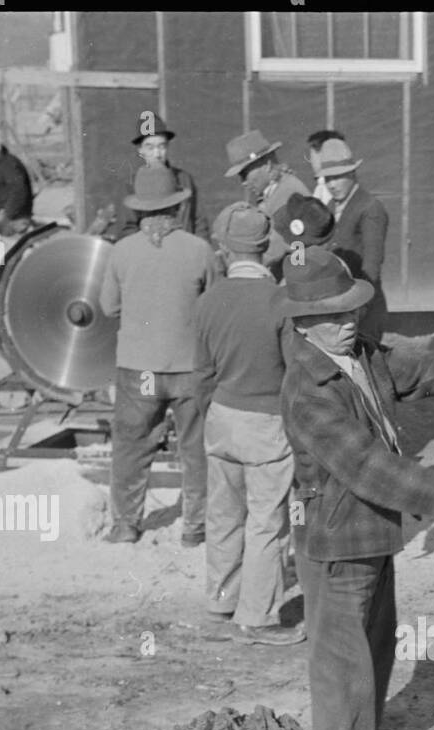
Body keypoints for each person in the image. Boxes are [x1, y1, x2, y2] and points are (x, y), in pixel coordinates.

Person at [279, 248, 434, 730]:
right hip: (336, 539)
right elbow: (364, 465)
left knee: (374, 641)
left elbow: (419, 371)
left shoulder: (360, 354)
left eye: (350, 309)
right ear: (303, 324)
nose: (348, 322)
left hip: (372, 530)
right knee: (341, 658)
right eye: (333, 316)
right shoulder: (307, 390)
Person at [193, 203, 302, 646]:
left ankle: (221, 603)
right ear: (265, 249)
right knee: (266, 523)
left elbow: (200, 373)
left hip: (220, 417)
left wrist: (212, 416)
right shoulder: (281, 301)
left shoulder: (208, 300)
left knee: (223, 517)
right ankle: (255, 618)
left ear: (225, 249)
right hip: (267, 422)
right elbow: (294, 373)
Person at [99, 166, 219, 546]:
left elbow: (108, 307)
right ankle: (194, 528)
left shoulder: (121, 251)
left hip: (140, 371)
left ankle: (125, 525)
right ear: (176, 206)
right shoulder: (199, 250)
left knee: (132, 447)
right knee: (196, 450)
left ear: (139, 210)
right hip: (189, 368)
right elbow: (214, 305)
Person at [316, 138, 389, 339]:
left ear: (352, 173)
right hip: (339, 306)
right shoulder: (331, 206)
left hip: (364, 306)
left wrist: (361, 307)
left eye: (337, 177)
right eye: (327, 179)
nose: (331, 184)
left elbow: (372, 264)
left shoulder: (370, 207)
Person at [107, 114, 208, 242]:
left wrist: (199, 251)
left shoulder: (184, 179)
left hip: (185, 253)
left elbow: (199, 223)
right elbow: (127, 230)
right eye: (150, 147)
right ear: (140, 150)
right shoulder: (129, 185)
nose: (157, 154)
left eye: (161, 146)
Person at [223, 130, 310, 272]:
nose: (243, 182)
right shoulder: (273, 192)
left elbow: (281, 249)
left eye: (245, 174)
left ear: (268, 166)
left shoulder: (290, 195)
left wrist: (239, 262)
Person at [304, 128, 345, 205]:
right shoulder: (324, 184)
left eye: (311, 156)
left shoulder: (328, 187)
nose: (310, 161)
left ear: (322, 154)